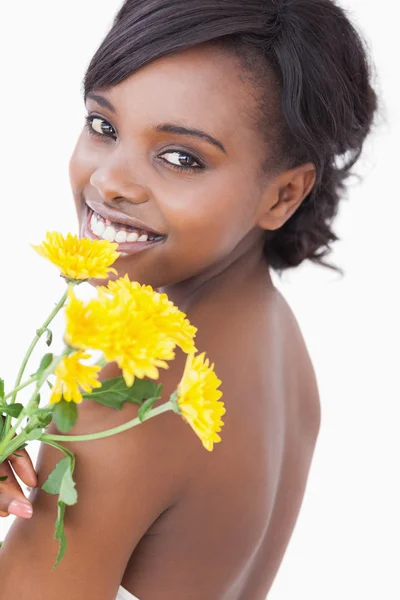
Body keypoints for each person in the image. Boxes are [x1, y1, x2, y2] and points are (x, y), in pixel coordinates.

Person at [0, 0, 377, 598]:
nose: (110, 182)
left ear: (283, 195)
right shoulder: (279, 339)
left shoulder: (129, 402)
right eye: (103, 126)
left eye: (181, 158)